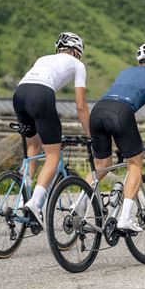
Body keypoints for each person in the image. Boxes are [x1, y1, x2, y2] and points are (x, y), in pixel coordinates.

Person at [86, 42, 145, 232]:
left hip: (98, 110)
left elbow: (113, 103)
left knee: (101, 165)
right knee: (135, 164)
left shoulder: (125, 72)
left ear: (138, 60)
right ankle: (124, 219)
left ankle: (79, 206)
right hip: (121, 113)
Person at [12, 32, 90, 231]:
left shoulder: (43, 59)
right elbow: (81, 106)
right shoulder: (77, 64)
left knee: (33, 145)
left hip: (20, 94)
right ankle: (35, 204)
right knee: (53, 155)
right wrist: (91, 134)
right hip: (41, 94)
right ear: (75, 51)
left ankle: (24, 197)